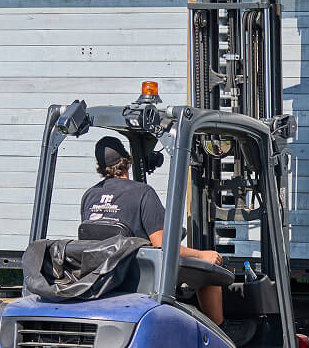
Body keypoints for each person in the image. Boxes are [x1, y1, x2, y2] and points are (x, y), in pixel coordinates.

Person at [80, 136, 225, 325]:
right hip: (140, 275)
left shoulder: (89, 196)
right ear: (127, 160)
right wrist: (201, 255)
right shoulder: (142, 193)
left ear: (100, 166)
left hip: (104, 276)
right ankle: (222, 333)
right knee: (211, 272)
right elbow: (164, 247)